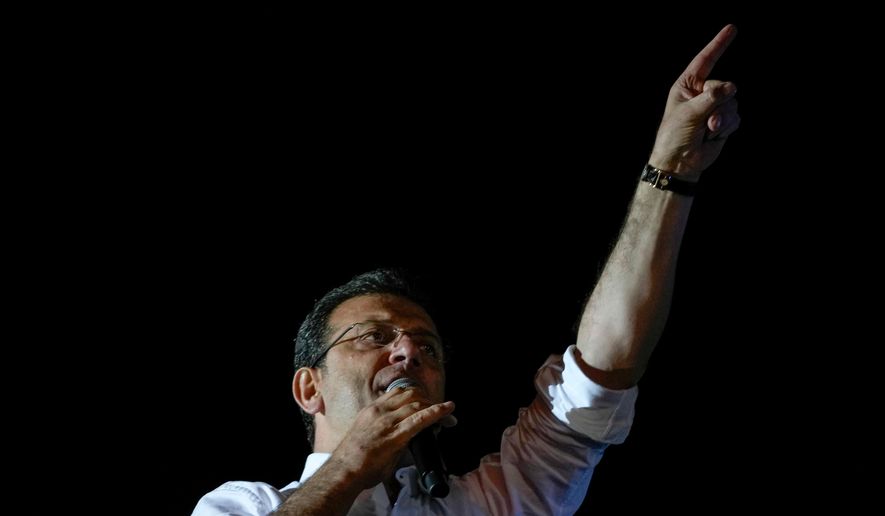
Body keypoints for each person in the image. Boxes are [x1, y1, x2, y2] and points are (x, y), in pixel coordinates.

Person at [193, 24, 741, 515]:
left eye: (427, 348)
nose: (408, 353)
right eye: (374, 336)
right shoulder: (241, 505)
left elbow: (603, 373)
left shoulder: (490, 505)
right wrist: (349, 468)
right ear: (309, 387)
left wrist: (671, 168)